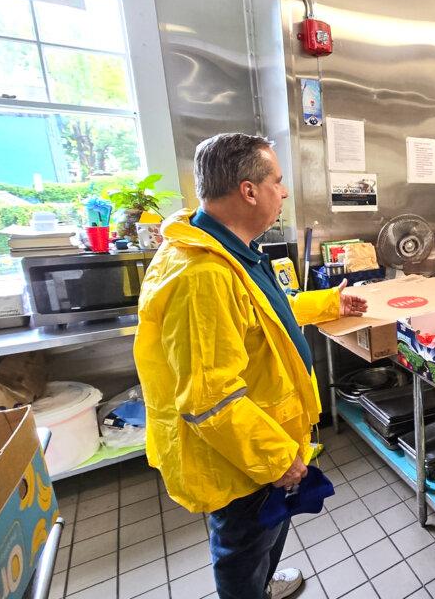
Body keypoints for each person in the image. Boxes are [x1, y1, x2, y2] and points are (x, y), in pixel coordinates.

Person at [134, 133, 367, 599]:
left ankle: (261, 583)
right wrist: (278, 460)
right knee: (242, 546)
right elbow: (209, 399)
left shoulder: (228, 248)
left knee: (264, 537)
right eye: (277, 182)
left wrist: (329, 302)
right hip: (243, 456)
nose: (283, 193)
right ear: (248, 190)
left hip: (261, 441)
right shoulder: (202, 276)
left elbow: (265, 311)